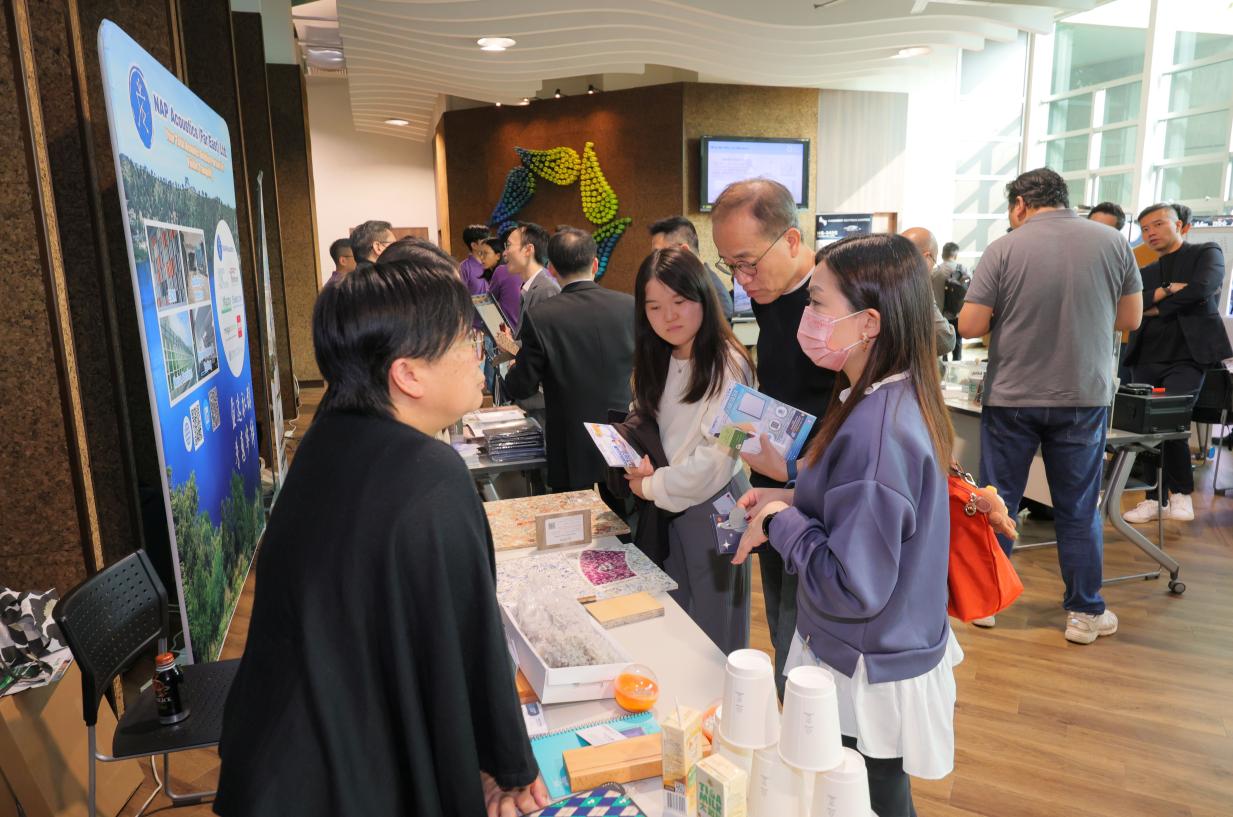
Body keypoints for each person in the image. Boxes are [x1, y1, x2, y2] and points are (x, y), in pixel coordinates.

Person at [214, 249, 549, 817]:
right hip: (343, 779)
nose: (480, 353)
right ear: (408, 374)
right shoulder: (430, 475)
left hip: (277, 761)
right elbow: (469, 641)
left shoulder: (330, 437)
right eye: (465, 340)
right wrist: (509, 766)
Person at [731, 233, 971, 817]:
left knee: (861, 793)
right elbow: (862, 508)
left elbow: (852, 585)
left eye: (816, 303)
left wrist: (781, 521)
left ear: (868, 323)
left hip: (864, 659)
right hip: (886, 642)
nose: (806, 318)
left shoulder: (876, 428)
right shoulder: (888, 394)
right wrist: (791, 496)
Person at [958, 167, 1143, 643]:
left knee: (997, 497)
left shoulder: (1004, 248)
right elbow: (1131, 318)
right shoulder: (1114, 243)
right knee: (1078, 507)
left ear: (1021, 204)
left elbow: (970, 325)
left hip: (1012, 396)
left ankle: (988, 602)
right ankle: (1084, 612)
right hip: (1083, 395)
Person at [711, 178, 835, 696]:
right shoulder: (771, 295)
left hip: (827, 498)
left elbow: (853, 415)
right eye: (729, 266)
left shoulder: (840, 299)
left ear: (791, 240)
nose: (741, 281)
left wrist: (791, 471)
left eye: (747, 263)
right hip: (779, 486)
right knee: (785, 635)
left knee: (811, 650)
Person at [620, 247, 755, 652]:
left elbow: (718, 461)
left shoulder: (729, 363)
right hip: (669, 502)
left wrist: (649, 486)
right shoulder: (659, 356)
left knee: (717, 628)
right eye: (655, 307)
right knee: (678, 618)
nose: (669, 316)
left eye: (679, 301)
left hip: (718, 506)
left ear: (702, 296)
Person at [1122, 203, 1232, 524]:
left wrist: (1156, 307)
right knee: (1145, 428)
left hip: (1189, 355)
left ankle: (1181, 493)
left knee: (1173, 421)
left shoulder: (1206, 253)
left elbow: (1202, 289)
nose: (1150, 233)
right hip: (1145, 355)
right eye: (1145, 229)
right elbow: (1131, 304)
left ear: (1182, 226)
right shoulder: (1145, 271)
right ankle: (1153, 499)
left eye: (1158, 224)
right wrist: (1167, 291)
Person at [503, 228, 635, 494]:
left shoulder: (541, 317)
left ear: (551, 268)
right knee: (623, 512)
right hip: (622, 437)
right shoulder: (629, 306)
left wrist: (513, 371)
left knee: (573, 516)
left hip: (569, 445)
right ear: (595, 264)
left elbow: (523, 385)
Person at [647, 216, 735, 322]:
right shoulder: (691, 284)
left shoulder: (714, 297)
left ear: (684, 251)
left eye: (659, 253)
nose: (654, 261)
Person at [900, 227, 958, 358]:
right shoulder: (915, 283)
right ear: (926, 258)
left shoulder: (876, 275)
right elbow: (944, 341)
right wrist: (950, 328)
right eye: (934, 261)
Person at [504, 222, 561, 338]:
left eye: (508, 245)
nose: (504, 253)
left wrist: (508, 344)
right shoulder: (531, 286)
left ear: (528, 250)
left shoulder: (547, 290)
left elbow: (545, 345)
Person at [478, 236, 522, 327]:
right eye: (480, 253)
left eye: (485, 253)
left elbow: (488, 302)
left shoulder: (501, 271)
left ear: (498, 256)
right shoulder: (514, 270)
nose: (481, 258)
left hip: (507, 329)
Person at [459, 224, 492, 296]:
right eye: (485, 241)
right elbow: (461, 296)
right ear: (474, 245)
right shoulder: (464, 268)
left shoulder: (493, 264)